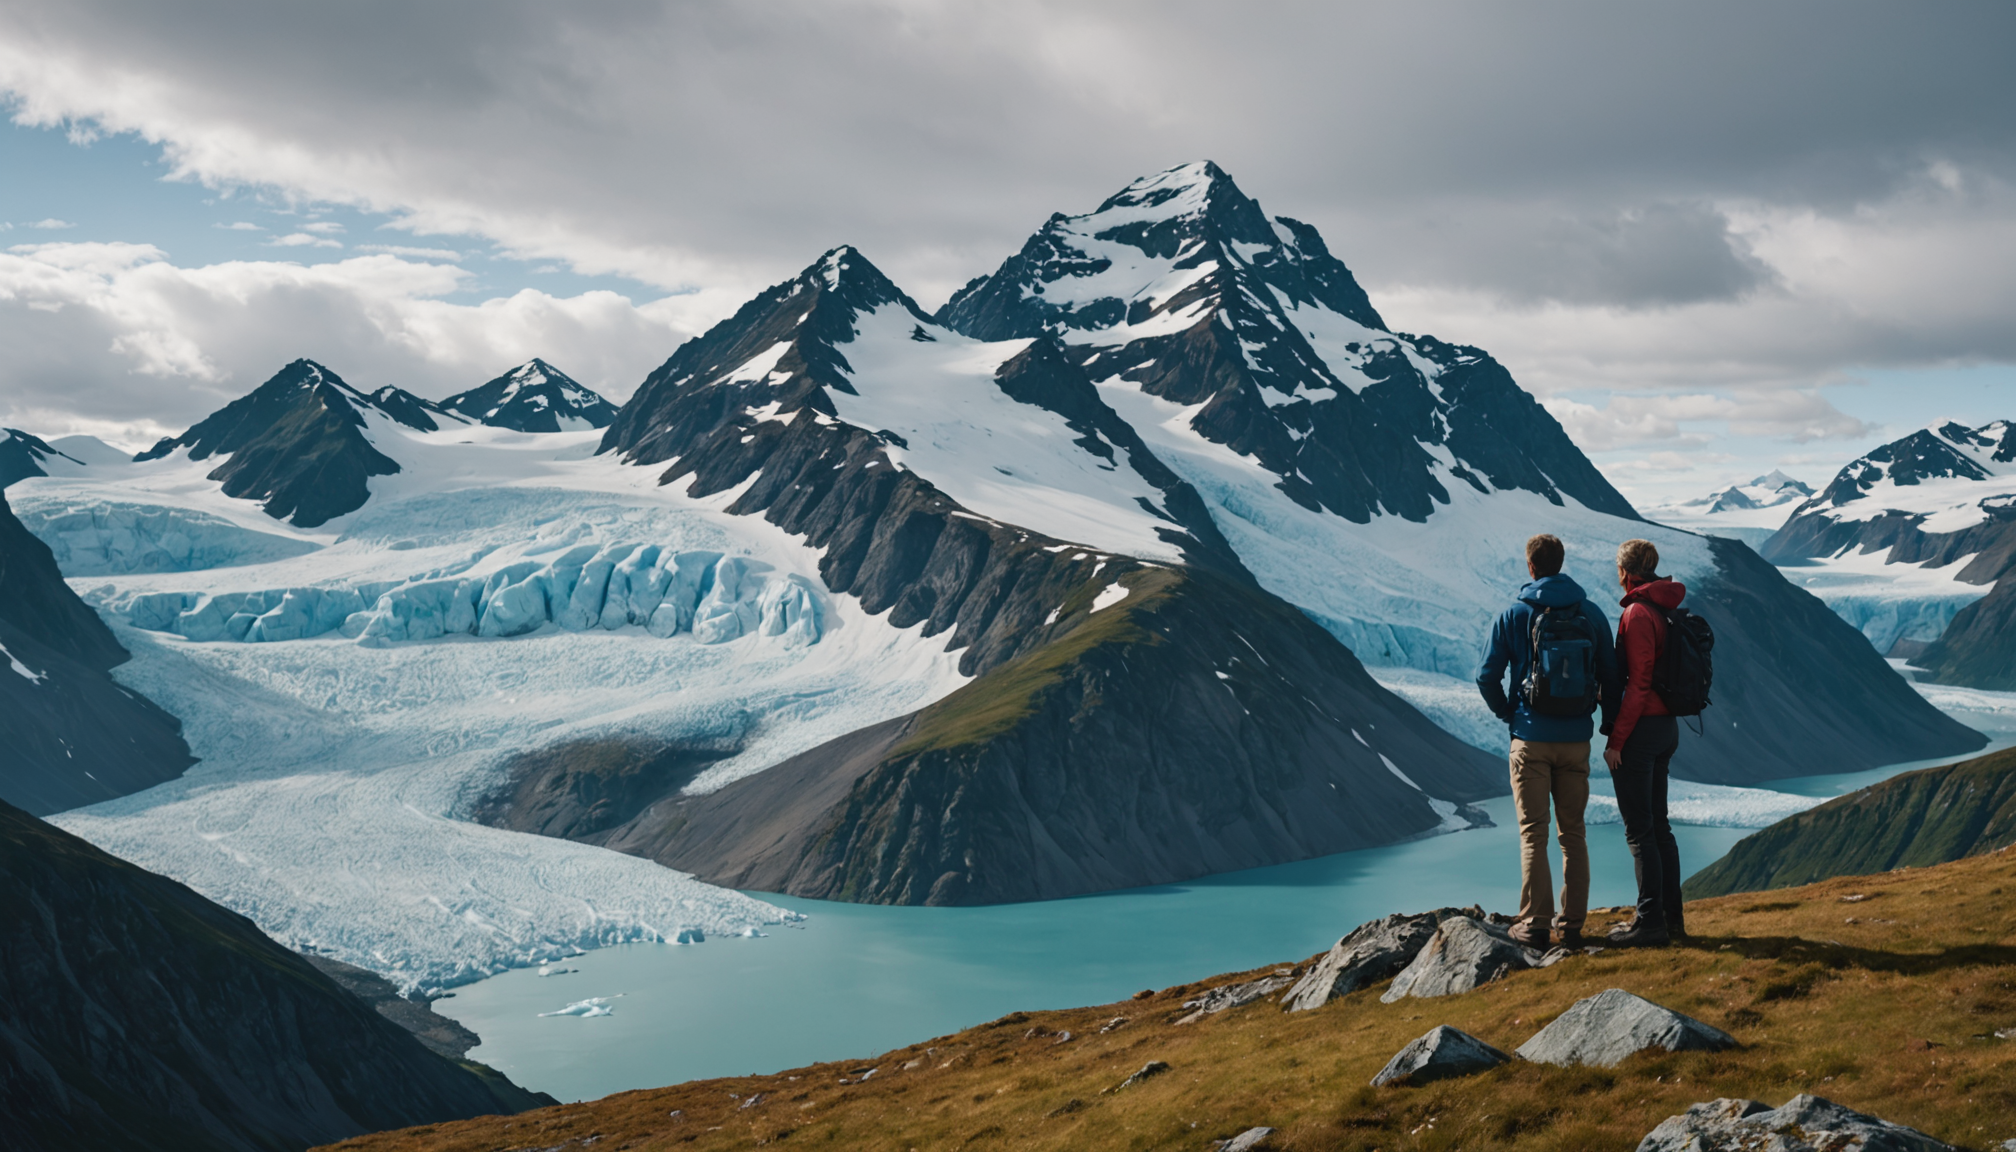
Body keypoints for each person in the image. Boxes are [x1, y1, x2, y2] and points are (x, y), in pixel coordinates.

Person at [1477, 534, 1619, 949]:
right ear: (1560, 564)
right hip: (1576, 741)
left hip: (1530, 740)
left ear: (1531, 567)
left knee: (1533, 833)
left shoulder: (1513, 614)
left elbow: (1486, 676)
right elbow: (1610, 677)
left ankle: (1535, 922)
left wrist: (1510, 714)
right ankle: (1572, 924)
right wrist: (1603, 723)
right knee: (1573, 833)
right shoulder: (1591, 613)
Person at [1604, 538, 1685, 948]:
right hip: (1665, 727)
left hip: (1642, 731)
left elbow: (1638, 684)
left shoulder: (1637, 612)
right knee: (1660, 828)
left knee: (1640, 833)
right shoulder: (1663, 607)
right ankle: (1672, 920)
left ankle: (1649, 923)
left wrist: (1617, 740)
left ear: (1624, 573)